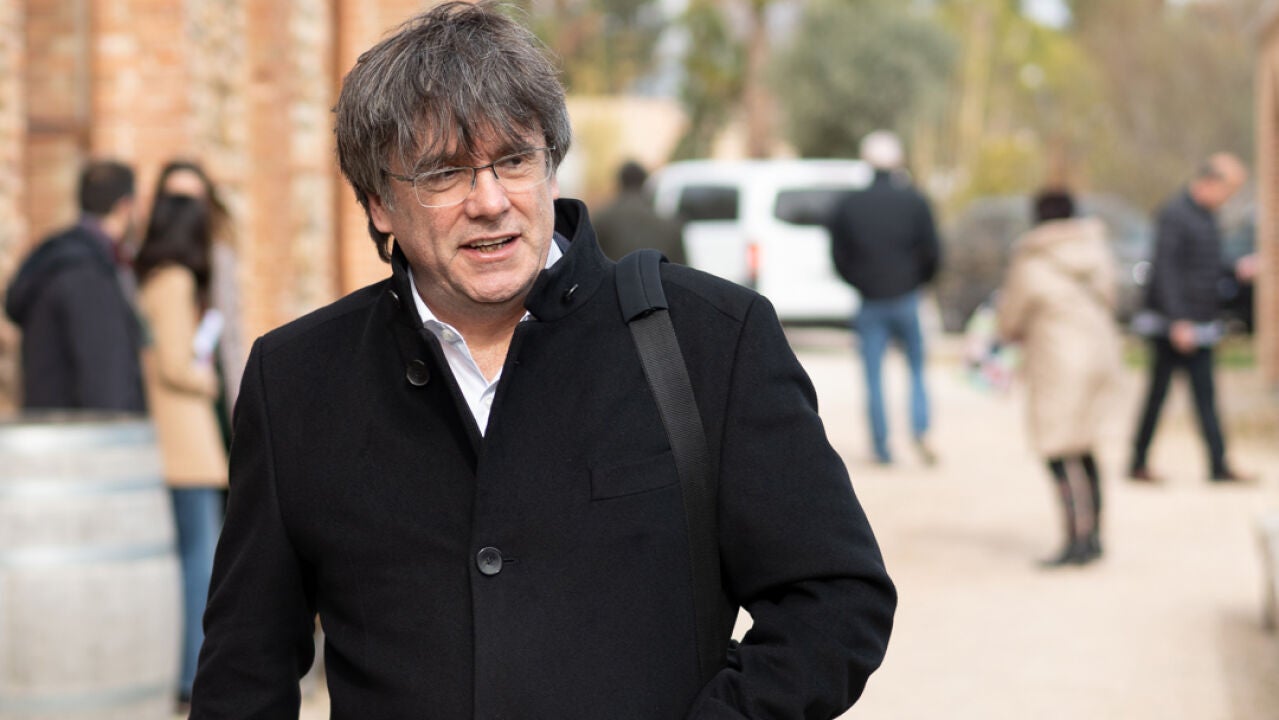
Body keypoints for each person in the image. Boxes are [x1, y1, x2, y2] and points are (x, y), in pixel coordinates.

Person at [189, 3, 895, 718]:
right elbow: (243, 672)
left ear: (552, 167)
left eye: (514, 160)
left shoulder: (710, 339)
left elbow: (834, 600)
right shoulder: (296, 380)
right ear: (378, 203)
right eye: (444, 173)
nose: (491, 201)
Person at [133, 194, 229, 711]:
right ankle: (193, 677)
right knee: (200, 564)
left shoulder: (151, 278)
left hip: (170, 441)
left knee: (191, 561)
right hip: (185, 443)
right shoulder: (175, 281)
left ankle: (188, 672)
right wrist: (207, 381)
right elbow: (174, 363)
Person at [997, 190, 1122, 566]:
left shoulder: (1031, 258)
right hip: (1099, 353)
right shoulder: (1095, 248)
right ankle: (1095, 535)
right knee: (1085, 445)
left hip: (1058, 358)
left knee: (1056, 449)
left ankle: (1074, 540)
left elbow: (1010, 318)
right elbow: (1112, 297)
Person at [1129, 153, 1250, 483]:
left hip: (1202, 322)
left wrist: (1236, 270)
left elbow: (1206, 263)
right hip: (1174, 326)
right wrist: (1177, 320)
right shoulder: (1175, 215)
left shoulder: (1207, 217)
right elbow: (1165, 270)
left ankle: (1218, 465)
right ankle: (1137, 462)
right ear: (1211, 182)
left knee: (1206, 397)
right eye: (1229, 190)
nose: (1229, 198)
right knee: (1158, 395)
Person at [825, 130, 941, 465]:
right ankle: (920, 429)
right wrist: (918, 281)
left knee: (873, 377)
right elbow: (933, 250)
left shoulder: (850, 204)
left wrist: (859, 282)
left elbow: (838, 255)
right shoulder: (915, 201)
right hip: (907, 298)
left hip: (870, 300)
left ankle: (881, 446)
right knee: (916, 369)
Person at [4, 160, 145, 412]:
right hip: (81, 430)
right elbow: (104, 379)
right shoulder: (86, 272)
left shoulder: (62, 258)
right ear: (125, 206)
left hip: (57, 425)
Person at [151, 160, 246, 439]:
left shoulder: (218, 255)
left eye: (193, 200)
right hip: (176, 393)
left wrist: (239, 404)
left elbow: (230, 332)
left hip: (213, 377)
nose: (186, 210)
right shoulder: (157, 266)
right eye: (176, 200)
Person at [593, 159, 686, 264]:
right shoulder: (669, 224)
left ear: (620, 182)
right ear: (644, 183)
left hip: (618, 273)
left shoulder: (603, 218)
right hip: (656, 274)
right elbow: (682, 267)